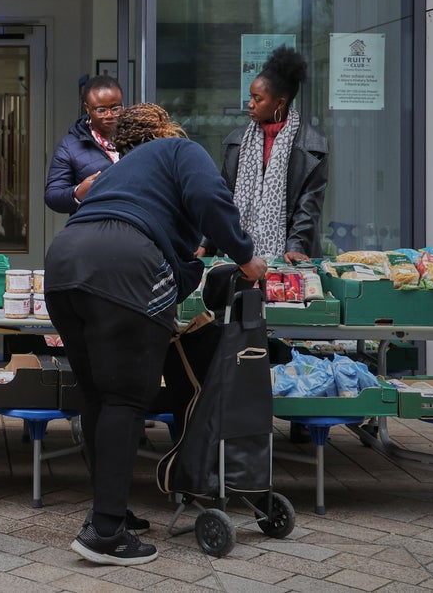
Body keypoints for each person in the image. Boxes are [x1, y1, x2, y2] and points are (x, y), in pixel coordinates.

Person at [43, 103, 266, 567]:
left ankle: (112, 509)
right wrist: (245, 258)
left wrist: (191, 253)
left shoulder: (119, 172)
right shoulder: (181, 150)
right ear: (168, 129)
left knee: (99, 398)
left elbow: (160, 228)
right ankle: (105, 533)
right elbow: (212, 199)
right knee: (126, 398)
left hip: (63, 263)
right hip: (125, 267)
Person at [203, 45, 330, 263]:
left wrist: (296, 246)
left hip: (289, 259)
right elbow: (224, 198)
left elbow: (308, 208)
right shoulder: (238, 142)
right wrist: (207, 243)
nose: (250, 104)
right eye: (250, 97)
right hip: (241, 258)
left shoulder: (312, 148)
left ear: (280, 102)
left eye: (258, 99)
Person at [44, 75, 124, 214]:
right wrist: (78, 193)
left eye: (115, 108)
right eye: (101, 110)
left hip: (135, 226)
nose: (109, 115)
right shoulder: (70, 146)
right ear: (87, 108)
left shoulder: (138, 138)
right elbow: (52, 196)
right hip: (94, 228)